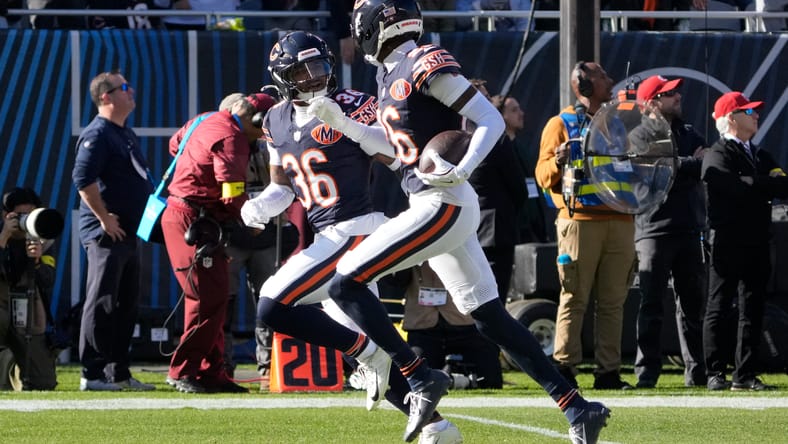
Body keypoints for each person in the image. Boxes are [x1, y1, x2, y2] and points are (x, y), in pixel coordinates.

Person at [314, 2, 610, 443]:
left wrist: (465, 166)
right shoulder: (390, 71)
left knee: (345, 282)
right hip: (433, 198)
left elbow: (487, 118)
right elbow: (400, 154)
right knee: (489, 316)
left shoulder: (422, 61)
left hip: (441, 200)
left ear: (374, 26)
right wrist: (348, 127)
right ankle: (577, 407)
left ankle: (418, 377)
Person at [241, 30, 463, 443]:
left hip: (357, 229)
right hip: (328, 234)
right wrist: (257, 206)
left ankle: (377, 355)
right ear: (283, 78)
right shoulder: (274, 119)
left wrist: (343, 124)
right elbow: (284, 186)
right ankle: (437, 429)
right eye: (302, 72)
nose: (314, 79)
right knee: (361, 344)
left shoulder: (352, 105)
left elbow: (396, 154)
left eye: (319, 67)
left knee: (272, 305)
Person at [161, 91, 275, 394]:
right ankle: (182, 370)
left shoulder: (205, 118)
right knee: (205, 299)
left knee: (215, 296)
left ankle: (212, 372)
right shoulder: (233, 136)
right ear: (257, 121)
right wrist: (251, 220)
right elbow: (231, 191)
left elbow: (175, 145)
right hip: (193, 220)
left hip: (193, 218)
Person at [535, 61, 636, 391]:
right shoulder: (560, 123)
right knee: (574, 296)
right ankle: (564, 366)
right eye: (603, 76)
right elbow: (542, 175)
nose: (610, 80)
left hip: (620, 220)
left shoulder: (618, 123)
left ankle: (608, 372)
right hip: (579, 221)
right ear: (585, 86)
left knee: (613, 301)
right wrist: (558, 159)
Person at [72, 71, 156, 391]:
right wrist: (105, 218)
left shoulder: (124, 133)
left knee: (126, 304)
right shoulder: (98, 133)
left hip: (131, 232)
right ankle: (91, 374)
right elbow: (83, 180)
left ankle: (117, 372)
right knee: (102, 300)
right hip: (107, 232)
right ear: (106, 96)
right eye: (124, 87)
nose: (131, 91)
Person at [701, 91, 788, 391]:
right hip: (728, 241)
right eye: (748, 111)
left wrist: (755, 183)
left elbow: (784, 185)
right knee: (719, 305)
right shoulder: (718, 153)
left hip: (758, 241)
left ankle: (745, 373)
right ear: (731, 118)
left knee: (753, 308)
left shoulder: (761, 155)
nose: (755, 116)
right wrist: (763, 185)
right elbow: (732, 188)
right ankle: (714, 372)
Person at [629, 75, 708, 388]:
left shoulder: (689, 132)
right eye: (670, 93)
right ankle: (646, 373)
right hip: (654, 229)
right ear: (652, 101)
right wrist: (686, 164)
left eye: (677, 92)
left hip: (689, 227)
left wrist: (676, 166)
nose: (678, 97)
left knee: (692, 305)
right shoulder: (639, 135)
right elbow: (656, 172)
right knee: (651, 304)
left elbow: (701, 166)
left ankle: (697, 372)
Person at [467, 79, 527, 302]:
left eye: (488, 98)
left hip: (482, 233)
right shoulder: (494, 139)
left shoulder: (453, 135)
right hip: (487, 234)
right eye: (482, 98)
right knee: (489, 302)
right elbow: (518, 189)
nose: (488, 104)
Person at [402, 262, 503, 389]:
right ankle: (455, 380)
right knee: (414, 380)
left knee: (491, 380)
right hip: (423, 324)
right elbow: (395, 282)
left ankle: (456, 380)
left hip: (466, 323)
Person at [0, 188, 59, 390]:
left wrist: (36, 262)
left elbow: (47, 280)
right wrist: (4, 236)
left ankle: (15, 366)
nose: (26, 220)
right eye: (20, 216)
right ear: (5, 215)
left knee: (44, 383)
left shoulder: (42, 238)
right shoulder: (2, 234)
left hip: (26, 316)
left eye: (31, 215)